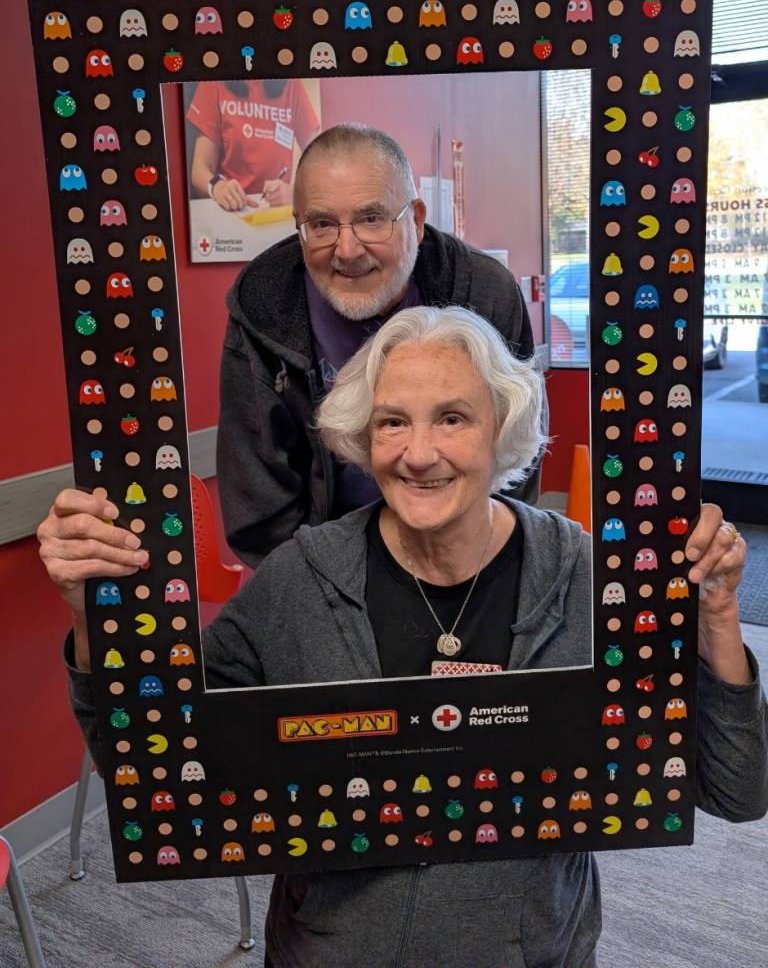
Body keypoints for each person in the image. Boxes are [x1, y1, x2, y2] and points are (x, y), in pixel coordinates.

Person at [40, 307, 767, 967]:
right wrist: (91, 616)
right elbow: (151, 774)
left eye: (452, 417)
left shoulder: (586, 577)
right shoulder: (299, 580)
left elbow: (738, 793)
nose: (419, 453)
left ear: (502, 429)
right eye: (392, 422)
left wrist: (718, 621)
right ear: (364, 438)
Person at [217, 123, 540, 569]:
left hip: (466, 554)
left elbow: (515, 450)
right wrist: (324, 595)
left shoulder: (483, 293)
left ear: (417, 220)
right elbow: (259, 504)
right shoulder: (263, 307)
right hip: (323, 566)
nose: (347, 249)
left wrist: (480, 568)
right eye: (322, 223)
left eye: (372, 218)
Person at [187, 79, 320, 212]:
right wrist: (218, 187)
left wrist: (295, 192)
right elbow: (199, 170)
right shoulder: (214, 83)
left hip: (277, 213)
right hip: (231, 211)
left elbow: (320, 158)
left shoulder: (291, 84)